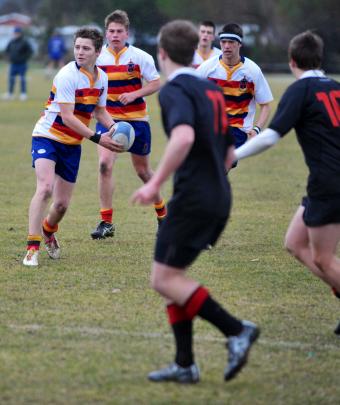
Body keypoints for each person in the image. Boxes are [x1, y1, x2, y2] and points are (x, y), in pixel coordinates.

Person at [132, 20, 260, 384]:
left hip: (195, 197)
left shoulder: (174, 91)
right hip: (217, 193)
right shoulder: (211, 90)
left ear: (161, 53)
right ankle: (185, 363)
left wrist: (154, 182)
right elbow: (228, 149)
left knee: (162, 278)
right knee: (173, 276)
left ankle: (236, 330)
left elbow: (184, 137)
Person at [233, 31, 340, 334]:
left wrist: (234, 154)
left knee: (323, 257)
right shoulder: (335, 87)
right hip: (324, 182)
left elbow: (270, 135)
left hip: (329, 183)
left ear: (292, 61)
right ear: (319, 58)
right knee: (295, 243)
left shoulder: (301, 90)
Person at [23, 27, 124, 267]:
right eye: (77, 47)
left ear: (98, 52)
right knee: (45, 188)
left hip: (72, 145)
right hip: (47, 136)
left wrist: (115, 129)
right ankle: (32, 247)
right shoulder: (67, 75)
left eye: (86, 48)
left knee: (61, 205)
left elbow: (99, 111)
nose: (80, 52)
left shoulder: (102, 78)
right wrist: (98, 138)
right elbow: (68, 117)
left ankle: (48, 230)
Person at [91, 9, 166, 240]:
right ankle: (106, 222)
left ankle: (163, 217)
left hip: (137, 120)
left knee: (143, 172)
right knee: (105, 166)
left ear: (127, 32)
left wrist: (135, 94)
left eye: (119, 31)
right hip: (109, 121)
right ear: (106, 33)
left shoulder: (140, 56)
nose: (115, 35)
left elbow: (155, 83)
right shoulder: (97, 58)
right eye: (111, 31)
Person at [197, 22, 273, 152]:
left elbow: (265, 105)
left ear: (239, 44)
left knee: (221, 163)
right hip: (211, 126)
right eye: (224, 42)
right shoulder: (207, 68)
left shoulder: (252, 71)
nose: (226, 46)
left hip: (237, 129)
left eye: (231, 42)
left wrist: (256, 129)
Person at [3, 26, 33, 101]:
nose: (16, 34)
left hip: (22, 64)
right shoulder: (12, 42)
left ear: (20, 33)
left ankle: (23, 94)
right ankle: (10, 93)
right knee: (11, 79)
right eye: (15, 33)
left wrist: (24, 58)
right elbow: (7, 50)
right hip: (13, 64)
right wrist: (8, 58)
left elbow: (30, 51)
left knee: (22, 79)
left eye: (17, 33)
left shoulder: (24, 42)